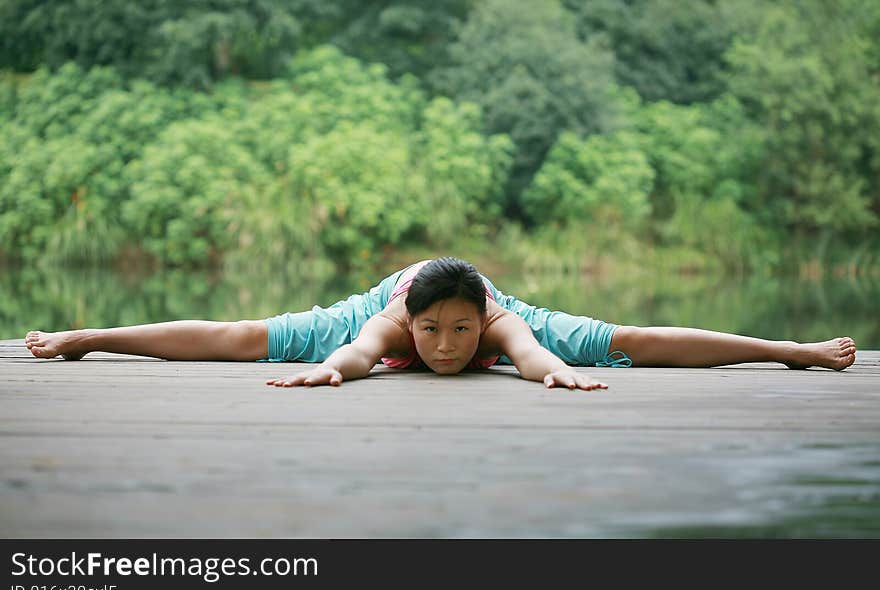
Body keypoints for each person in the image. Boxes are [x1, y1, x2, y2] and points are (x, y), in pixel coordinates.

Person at [24, 257, 857, 390]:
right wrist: (332, 369)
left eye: (462, 334)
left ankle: (791, 349)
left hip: (479, 286)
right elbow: (356, 350)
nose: (450, 348)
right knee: (246, 334)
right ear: (413, 325)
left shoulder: (495, 320)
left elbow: (526, 349)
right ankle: (95, 331)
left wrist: (552, 369)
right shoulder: (389, 321)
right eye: (437, 335)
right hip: (396, 289)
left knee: (626, 338)